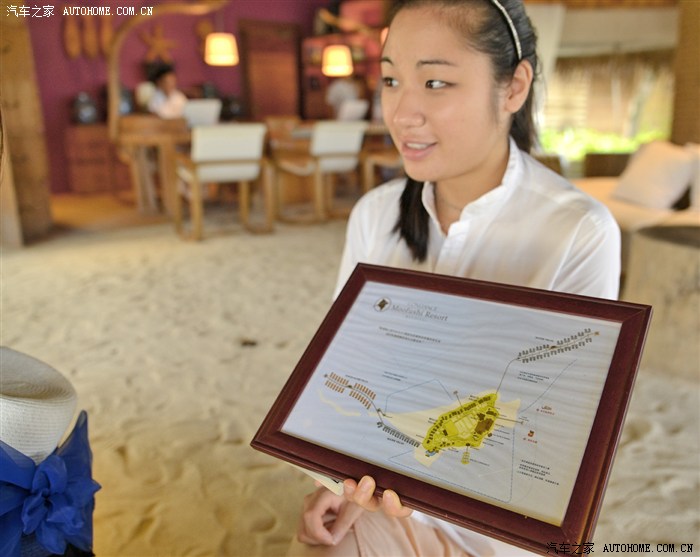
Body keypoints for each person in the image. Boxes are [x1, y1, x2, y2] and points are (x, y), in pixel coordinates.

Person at [289, 0, 621, 556]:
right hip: (381, 496)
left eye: (436, 83)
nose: (402, 114)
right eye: (391, 80)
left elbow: (554, 430)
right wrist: (337, 481)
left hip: (502, 527)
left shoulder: (577, 231)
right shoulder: (375, 214)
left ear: (513, 88)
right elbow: (348, 373)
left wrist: (419, 472)